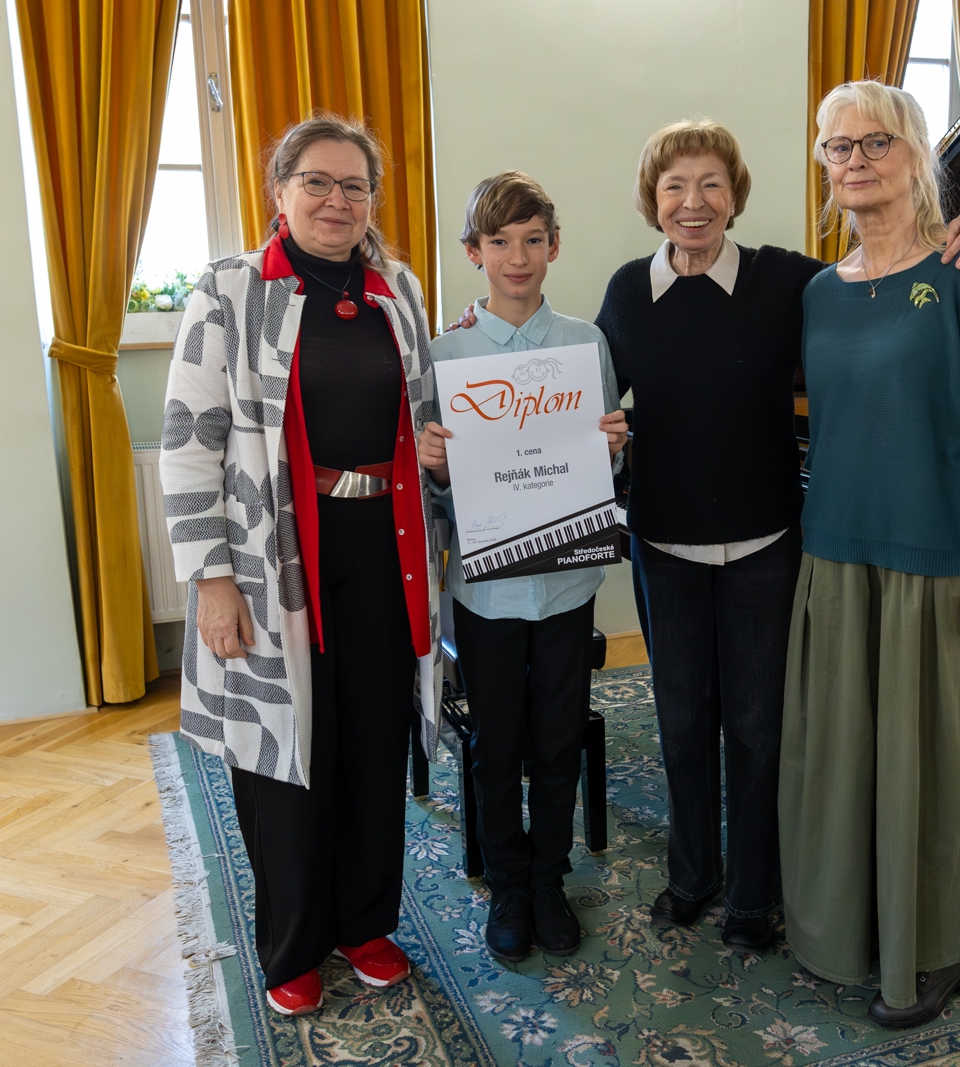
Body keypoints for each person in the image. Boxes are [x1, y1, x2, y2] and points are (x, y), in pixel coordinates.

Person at [590, 118, 960, 954]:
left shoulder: (792, 282)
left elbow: (887, 275)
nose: (693, 202)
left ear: (735, 195)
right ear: (651, 200)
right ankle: (691, 875)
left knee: (759, 727)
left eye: (711, 184)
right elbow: (583, 399)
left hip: (769, 544)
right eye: (674, 187)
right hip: (664, 547)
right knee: (680, 720)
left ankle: (755, 893)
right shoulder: (627, 293)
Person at [160, 114, 442, 1016]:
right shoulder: (229, 290)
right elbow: (189, 443)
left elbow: (425, 419)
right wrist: (210, 579)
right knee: (285, 754)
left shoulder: (398, 289)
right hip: (271, 557)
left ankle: (366, 923)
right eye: (316, 181)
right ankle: (293, 943)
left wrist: (441, 450)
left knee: (372, 741)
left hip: (384, 549)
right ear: (279, 191)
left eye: (354, 185)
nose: (335, 200)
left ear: (372, 200)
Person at [780, 80, 960, 1029]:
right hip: (838, 555)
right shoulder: (818, 292)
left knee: (938, 770)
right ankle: (849, 930)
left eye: (875, 142)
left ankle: (939, 946)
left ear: (917, 153)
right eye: (837, 146)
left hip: (940, 561)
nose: (855, 160)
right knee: (843, 763)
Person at [416, 172, 627, 963]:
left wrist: (613, 445)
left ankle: (548, 877)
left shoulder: (585, 343)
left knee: (558, 738)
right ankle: (507, 881)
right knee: (497, 743)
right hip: (487, 590)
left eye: (532, 239)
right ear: (474, 252)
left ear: (554, 247)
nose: (517, 256)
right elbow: (438, 491)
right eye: (499, 241)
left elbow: (602, 463)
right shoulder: (445, 354)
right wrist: (439, 466)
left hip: (567, 581)